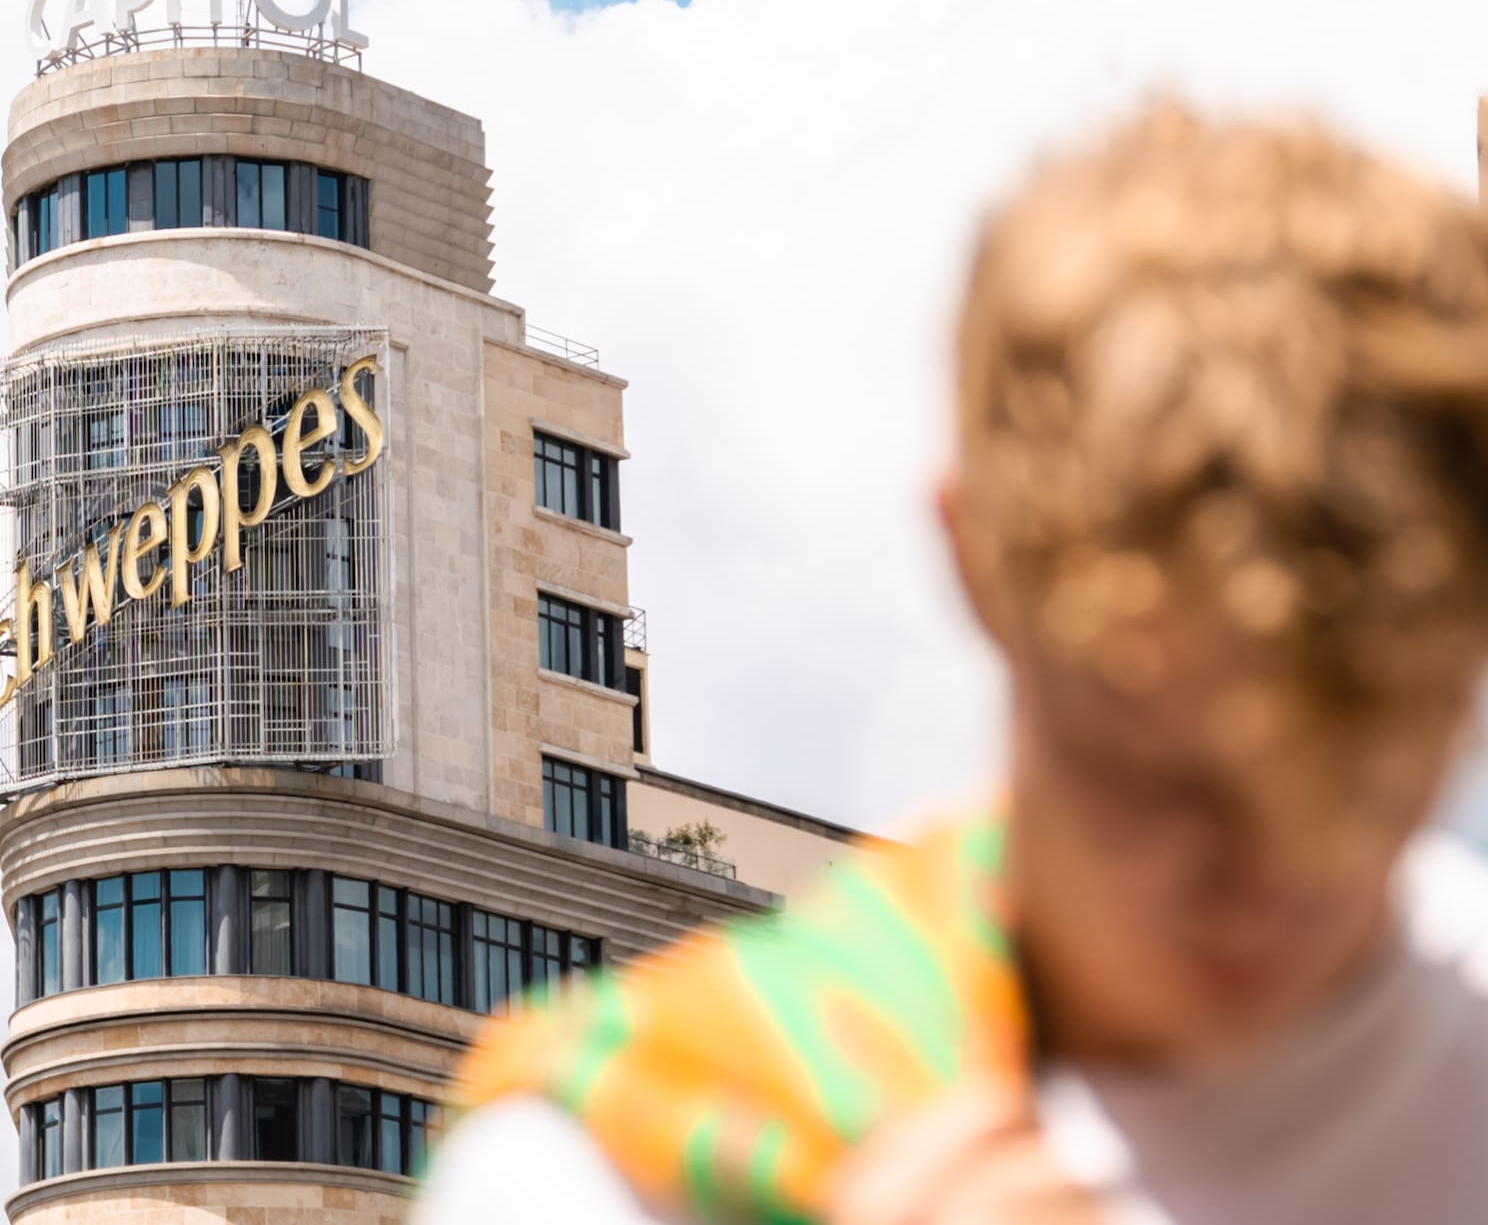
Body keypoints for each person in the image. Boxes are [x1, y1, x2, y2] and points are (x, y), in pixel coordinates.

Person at [414, 103, 1488, 1225]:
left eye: (1353, 783)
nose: (1255, 883)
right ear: (976, 555)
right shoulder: (621, 1165)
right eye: (1156, 778)